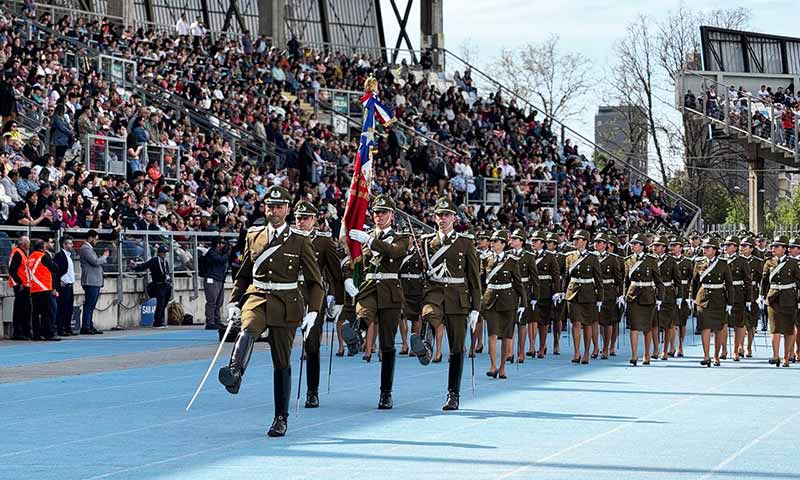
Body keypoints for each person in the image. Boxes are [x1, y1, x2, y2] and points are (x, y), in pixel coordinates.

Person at [218, 185, 323, 437]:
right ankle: (234, 370)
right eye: (270, 206)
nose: (274, 211)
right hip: (258, 295)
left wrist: (314, 311)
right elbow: (244, 273)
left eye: (279, 207)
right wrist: (234, 301)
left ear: (287, 209)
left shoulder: (299, 239)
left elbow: (314, 281)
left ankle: (280, 417)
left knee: (281, 362)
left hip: (287, 302)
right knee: (248, 327)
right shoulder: (254, 235)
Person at [347, 194, 410, 410]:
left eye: (383, 212)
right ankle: (356, 334)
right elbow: (353, 259)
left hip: (390, 291)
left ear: (392, 215)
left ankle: (386, 393)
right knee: (364, 312)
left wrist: (369, 240)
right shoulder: (364, 236)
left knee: (387, 345)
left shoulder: (401, 237)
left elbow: (394, 252)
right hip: (369, 288)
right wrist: (348, 277)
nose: (379, 216)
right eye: (375, 212)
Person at [419, 197, 481, 410]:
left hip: (458, 298)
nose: (442, 219)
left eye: (446, 215)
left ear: (454, 218)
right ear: (434, 218)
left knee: (456, 349)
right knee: (428, 313)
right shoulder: (427, 242)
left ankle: (453, 394)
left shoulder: (465, 243)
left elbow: (474, 278)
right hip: (435, 293)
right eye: (439, 215)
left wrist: (476, 308)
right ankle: (426, 345)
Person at [293, 200, 344, 409]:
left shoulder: (323, 242)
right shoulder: (287, 238)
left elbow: (335, 273)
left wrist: (339, 300)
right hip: (290, 295)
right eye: (298, 218)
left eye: (305, 218)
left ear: (314, 220)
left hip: (314, 296)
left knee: (312, 344)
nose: (301, 222)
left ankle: (311, 391)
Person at [481, 229, 526, 379]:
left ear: (503, 244)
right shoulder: (485, 258)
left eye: (495, 241)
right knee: (492, 334)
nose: (492, 244)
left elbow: (518, 283)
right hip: (491, 300)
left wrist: (523, 303)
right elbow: (481, 281)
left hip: (508, 301)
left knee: (507, 335)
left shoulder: (512, 260)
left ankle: (502, 367)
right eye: (491, 241)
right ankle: (492, 366)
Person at [758, 235, 800, 367]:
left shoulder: (792, 263)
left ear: (784, 249)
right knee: (774, 328)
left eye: (777, 246)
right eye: (773, 246)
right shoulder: (769, 262)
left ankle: (786, 357)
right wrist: (761, 296)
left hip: (789, 298)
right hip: (773, 298)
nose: (773, 248)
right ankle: (775, 355)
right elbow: (764, 281)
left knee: (788, 329)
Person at [691, 237, 733, 367]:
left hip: (719, 298)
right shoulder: (698, 263)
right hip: (703, 298)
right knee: (705, 327)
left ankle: (716, 356)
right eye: (704, 247)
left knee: (719, 329)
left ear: (715, 250)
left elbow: (729, 284)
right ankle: (706, 356)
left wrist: (730, 302)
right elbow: (695, 282)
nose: (705, 250)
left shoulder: (723, 263)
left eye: (708, 248)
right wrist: (692, 298)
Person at [564, 229, 603, 365]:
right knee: (576, 323)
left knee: (587, 324)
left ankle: (586, 352)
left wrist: (600, 298)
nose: (575, 241)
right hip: (573, 293)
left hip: (588, 294)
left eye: (578, 239)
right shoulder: (569, 257)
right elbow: (566, 277)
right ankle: (576, 352)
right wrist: (563, 292)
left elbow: (598, 279)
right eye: (574, 239)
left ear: (585, 241)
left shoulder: (593, 258)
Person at [624, 233, 664, 366]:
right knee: (634, 326)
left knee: (647, 327)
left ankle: (646, 354)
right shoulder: (629, 260)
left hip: (648, 296)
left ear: (641, 246)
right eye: (632, 244)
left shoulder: (651, 260)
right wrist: (624, 295)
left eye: (634, 244)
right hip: (633, 295)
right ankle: (634, 355)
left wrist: (659, 297)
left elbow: (659, 281)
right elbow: (626, 281)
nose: (632, 246)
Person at [509, 229, 539, 363]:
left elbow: (534, 278)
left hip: (524, 292)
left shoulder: (528, 256)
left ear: (521, 242)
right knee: (509, 322)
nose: (512, 241)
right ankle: (509, 351)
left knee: (522, 323)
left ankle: (521, 351)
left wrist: (534, 297)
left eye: (515, 239)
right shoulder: (507, 255)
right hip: (509, 291)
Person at [529, 230, 561, 358]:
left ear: (542, 243)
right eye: (532, 240)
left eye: (536, 241)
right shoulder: (528, 255)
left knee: (543, 321)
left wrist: (556, 292)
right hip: (531, 290)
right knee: (531, 319)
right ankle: (531, 346)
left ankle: (542, 347)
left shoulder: (549, 257)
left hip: (545, 291)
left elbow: (556, 275)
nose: (533, 243)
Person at [721, 236, 752, 362]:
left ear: (735, 247)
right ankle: (723, 349)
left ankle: (736, 350)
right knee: (722, 324)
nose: (725, 247)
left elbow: (748, 281)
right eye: (725, 245)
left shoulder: (742, 261)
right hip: (722, 294)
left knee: (738, 324)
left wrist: (749, 299)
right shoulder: (720, 260)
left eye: (729, 245)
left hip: (738, 294)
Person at [652, 235, 682, 361]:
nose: (654, 247)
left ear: (664, 248)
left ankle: (665, 349)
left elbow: (677, 279)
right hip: (653, 292)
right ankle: (655, 349)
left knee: (667, 323)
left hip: (668, 293)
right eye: (654, 245)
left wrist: (679, 296)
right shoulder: (650, 259)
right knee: (653, 322)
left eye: (657, 245)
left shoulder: (671, 261)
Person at [594, 233, 624, 360]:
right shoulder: (591, 257)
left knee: (609, 321)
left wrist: (620, 294)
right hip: (594, 291)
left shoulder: (613, 259)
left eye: (600, 242)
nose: (596, 244)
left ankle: (607, 347)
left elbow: (619, 278)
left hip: (609, 292)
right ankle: (597, 347)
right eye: (596, 241)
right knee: (597, 321)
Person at [131, 245, 173, 328]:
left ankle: (161, 319)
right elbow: (144, 266)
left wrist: (169, 282)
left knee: (164, 303)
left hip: (166, 284)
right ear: (159, 253)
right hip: (158, 284)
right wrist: (135, 267)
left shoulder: (165, 262)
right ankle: (157, 321)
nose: (164, 254)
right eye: (163, 253)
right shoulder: (154, 260)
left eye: (165, 253)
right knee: (160, 303)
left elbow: (167, 273)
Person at [27, 238, 60, 341]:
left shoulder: (30, 257)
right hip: (44, 287)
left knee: (36, 313)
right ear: (43, 247)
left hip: (34, 288)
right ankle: (48, 333)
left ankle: (37, 334)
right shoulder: (43, 256)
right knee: (47, 312)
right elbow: (55, 267)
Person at [79, 230, 108, 335]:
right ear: (90, 238)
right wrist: (104, 256)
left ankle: (89, 324)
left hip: (94, 280)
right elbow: (95, 262)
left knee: (92, 304)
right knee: (89, 304)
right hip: (90, 280)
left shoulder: (90, 248)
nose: (96, 241)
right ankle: (86, 326)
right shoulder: (85, 248)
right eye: (95, 238)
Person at [669, 237, 693, 357]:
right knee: (671, 321)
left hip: (683, 292)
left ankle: (680, 346)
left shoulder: (687, 262)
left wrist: (690, 296)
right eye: (671, 245)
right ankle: (671, 346)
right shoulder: (667, 260)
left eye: (675, 245)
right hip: (670, 291)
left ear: (681, 247)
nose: (672, 247)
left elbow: (692, 279)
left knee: (682, 322)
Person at [739, 237, 763, 357]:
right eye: (741, 245)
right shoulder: (736, 260)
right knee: (740, 322)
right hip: (740, 292)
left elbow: (762, 279)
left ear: (752, 248)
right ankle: (740, 346)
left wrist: (761, 295)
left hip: (753, 293)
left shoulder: (758, 262)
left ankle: (749, 347)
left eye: (745, 246)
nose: (742, 248)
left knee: (751, 323)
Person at [202, 238, 229, 330]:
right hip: (212, 278)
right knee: (212, 301)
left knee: (219, 302)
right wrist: (227, 254)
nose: (222, 245)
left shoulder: (219, 253)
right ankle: (210, 321)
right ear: (217, 244)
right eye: (221, 243)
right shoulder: (212, 253)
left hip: (219, 279)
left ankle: (217, 320)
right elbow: (220, 260)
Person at [8, 235, 31, 340]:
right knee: (20, 310)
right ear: (23, 243)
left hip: (25, 285)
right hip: (20, 286)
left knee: (26, 309)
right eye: (28, 242)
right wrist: (19, 283)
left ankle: (25, 331)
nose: (29, 244)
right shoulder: (17, 252)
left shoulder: (22, 253)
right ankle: (18, 332)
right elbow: (12, 270)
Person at [54, 236, 75, 336]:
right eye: (69, 244)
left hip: (70, 284)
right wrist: (59, 280)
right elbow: (57, 270)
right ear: (64, 245)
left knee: (69, 308)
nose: (72, 245)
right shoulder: (60, 256)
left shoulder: (69, 256)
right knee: (62, 308)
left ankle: (67, 327)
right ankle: (60, 328)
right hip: (63, 285)